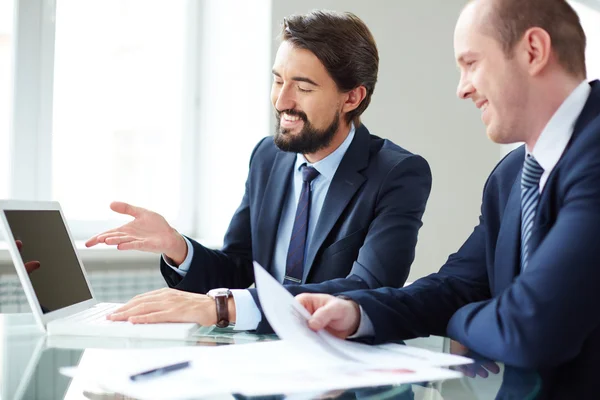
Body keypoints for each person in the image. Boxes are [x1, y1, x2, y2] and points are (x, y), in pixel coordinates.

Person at [297, 0, 600, 396]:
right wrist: (359, 312)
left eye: (471, 63)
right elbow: (458, 284)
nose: (462, 88)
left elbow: (530, 327)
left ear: (533, 51)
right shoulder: (511, 176)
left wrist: (458, 319)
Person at [85, 10, 432, 333]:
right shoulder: (267, 157)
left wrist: (226, 308)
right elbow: (238, 267)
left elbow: (366, 288)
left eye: (304, 87)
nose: (282, 101)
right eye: (278, 81)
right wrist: (178, 247)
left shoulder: (398, 174)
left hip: (342, 361)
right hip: (263, 354)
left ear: (352, 98)